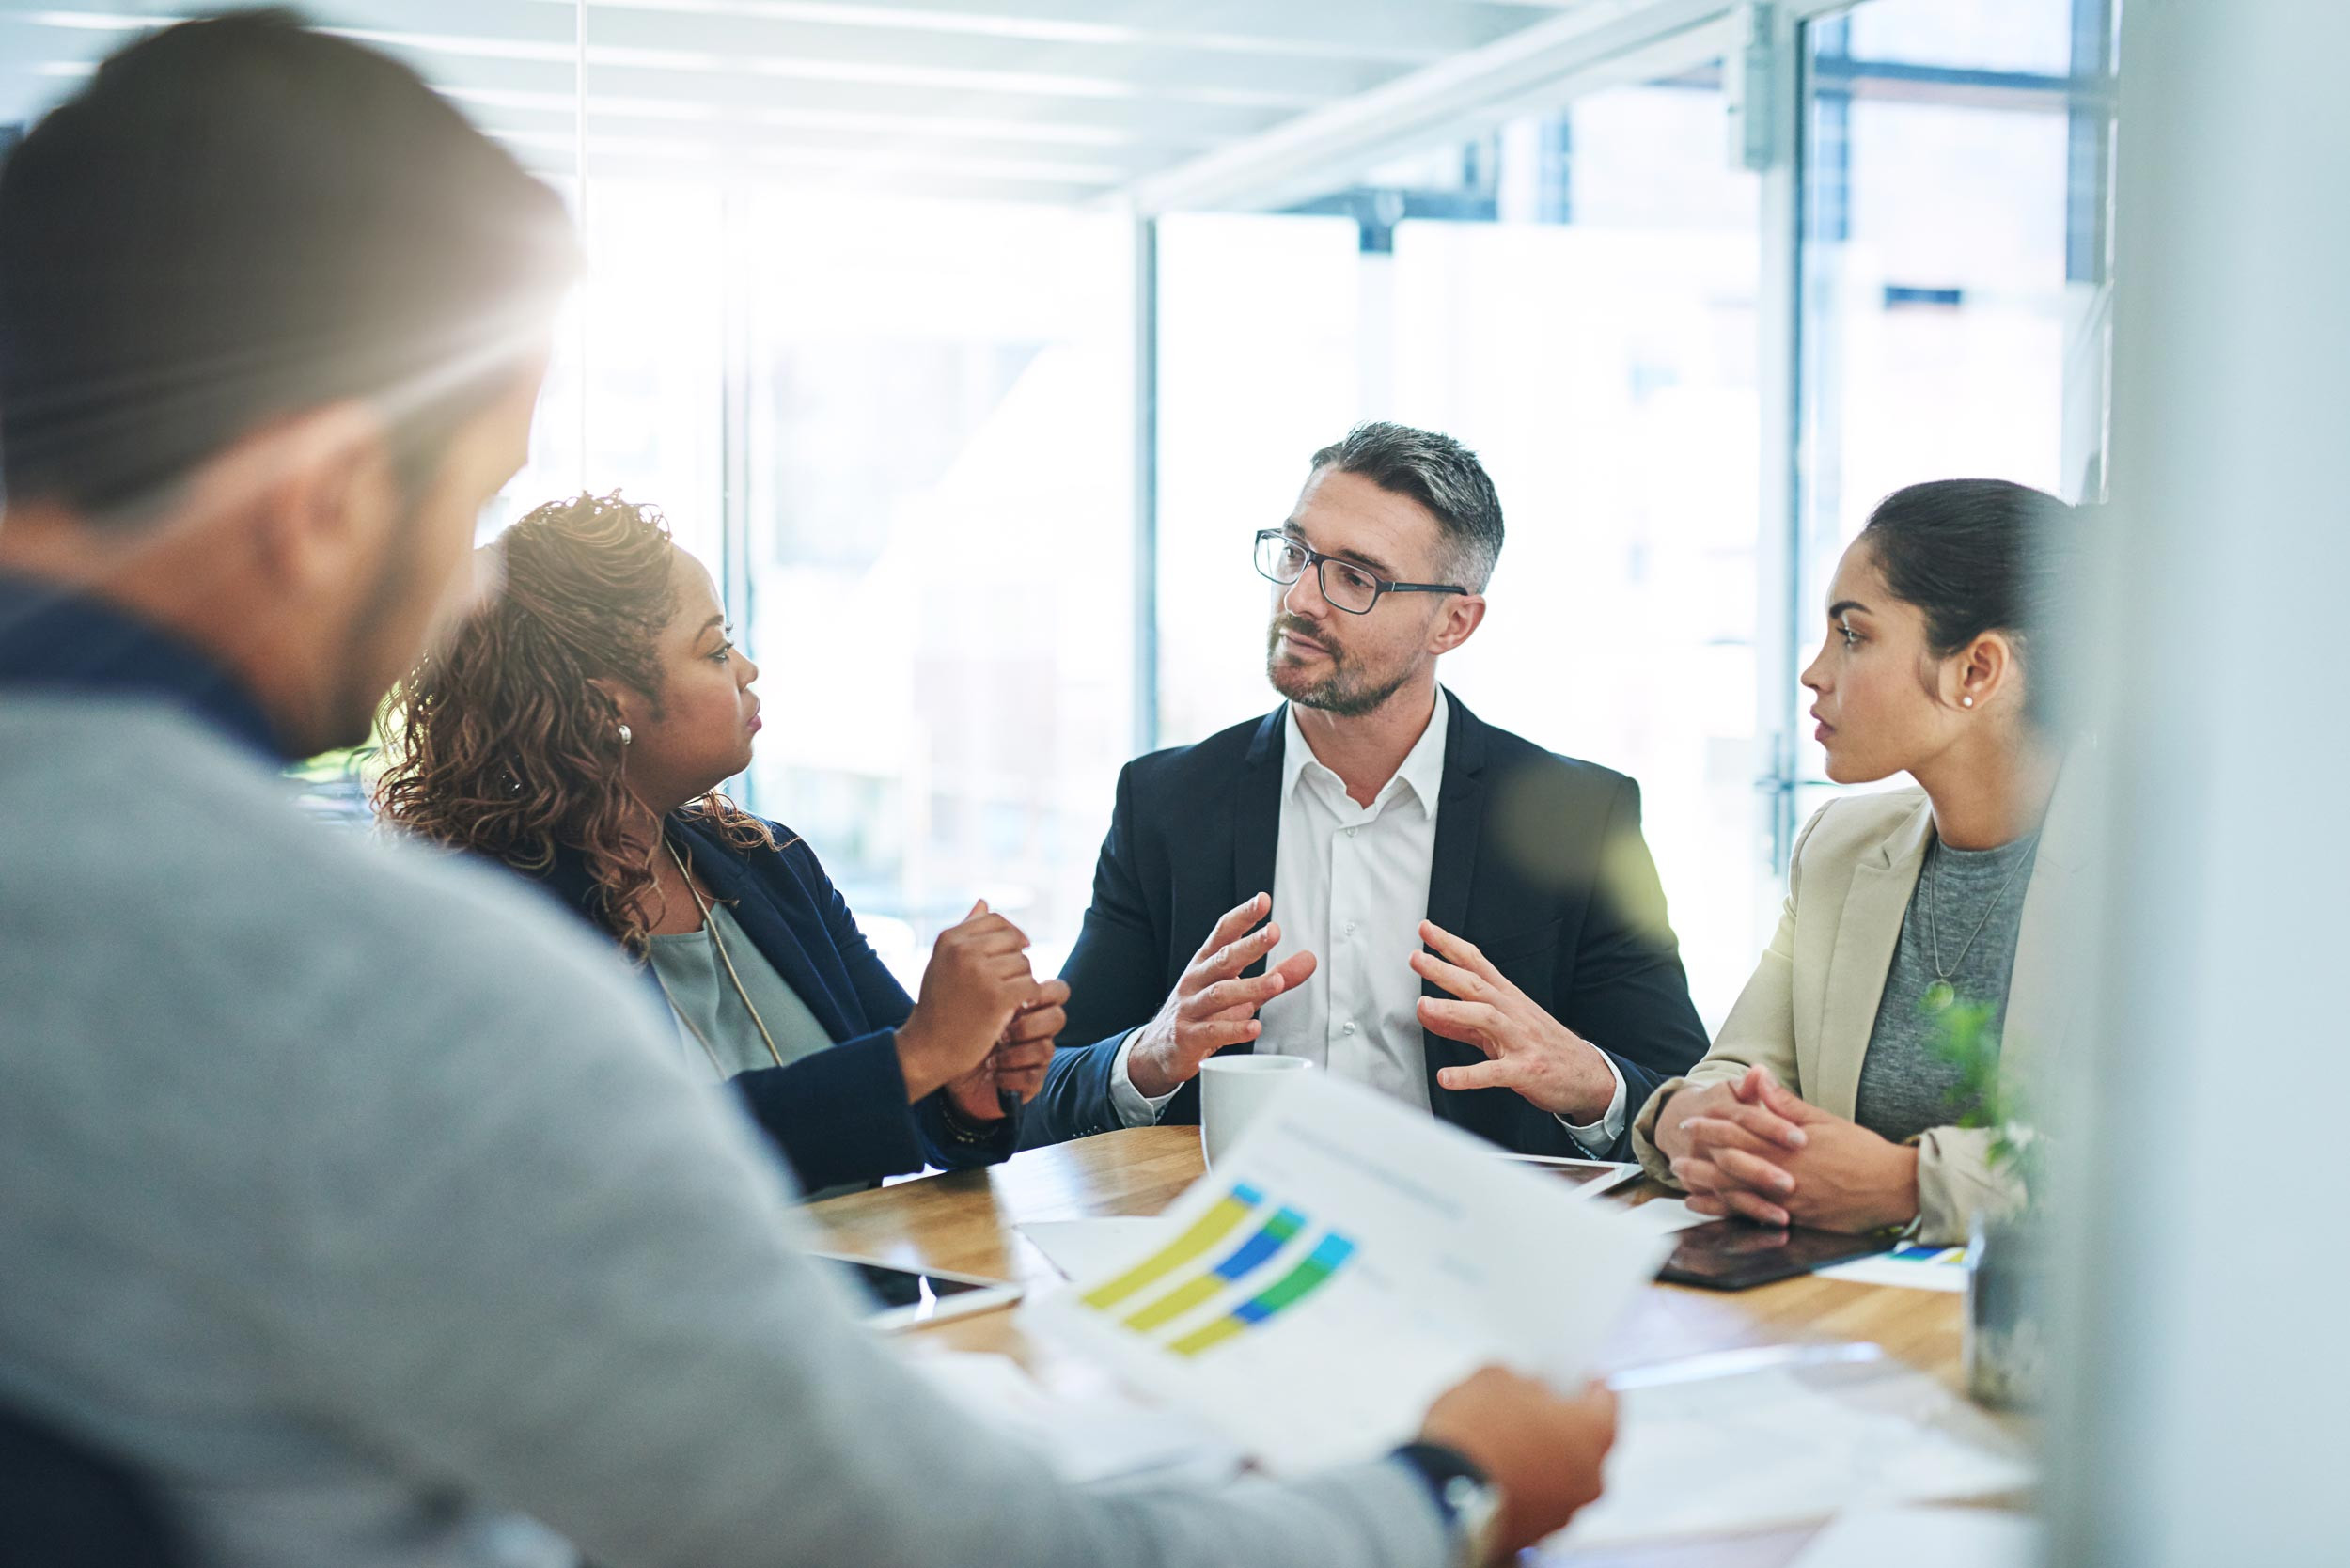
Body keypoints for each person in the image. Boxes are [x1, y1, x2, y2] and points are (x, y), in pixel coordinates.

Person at [0, 14, 1619, 1568]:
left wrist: (972, 1071)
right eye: (466, 501)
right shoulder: (382, 986)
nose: (456, 601)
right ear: (324, 501)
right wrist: (1452, 1485)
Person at [1029, 422, 1710, 1156]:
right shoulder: (1167, 803)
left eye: (1356, 578)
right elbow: (1038, 1093)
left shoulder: (1579, 818)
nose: (1300, 597)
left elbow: (1684, 1102)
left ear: (1453, 622)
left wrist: (1584, 1079)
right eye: (1296, 553)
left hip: (1468, 1218)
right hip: (1232, 1215)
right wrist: (1149, 1057)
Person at [376, 492, 1058, 1195]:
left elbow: (915, 1109)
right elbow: (631, 1155)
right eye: (715, 650)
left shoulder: (773, 864)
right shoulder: (499, 919)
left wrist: (966, 1087)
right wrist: (921, 1054)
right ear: (606, 706)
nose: (747, 669)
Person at [1629, 479, 2090, 1245]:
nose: (1814, 672)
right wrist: (1689, 1121)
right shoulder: (1839, 847)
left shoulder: (2156, 875)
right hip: (1840, 1298)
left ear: (1976, 670)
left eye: (1852, 635)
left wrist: (1903, 1184)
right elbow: (1734, 1073)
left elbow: (2177, 1165)